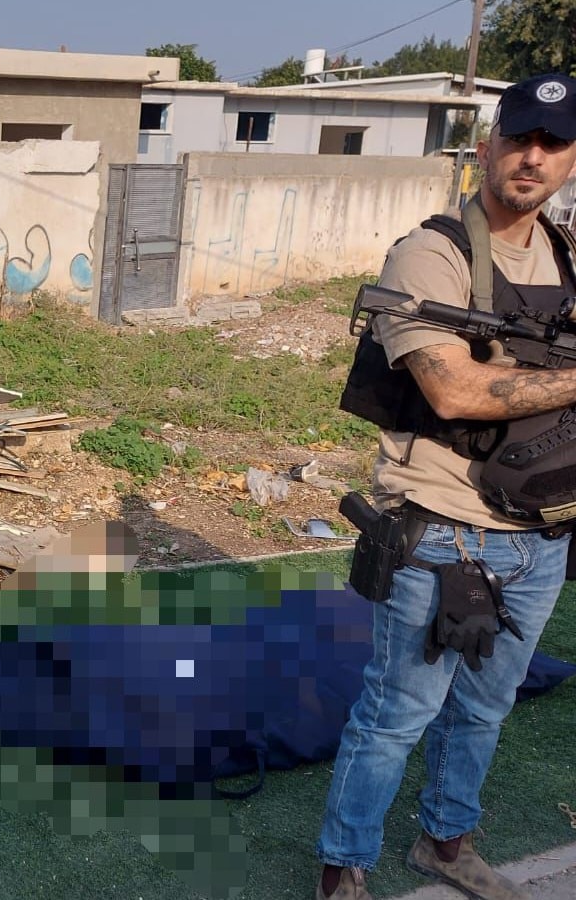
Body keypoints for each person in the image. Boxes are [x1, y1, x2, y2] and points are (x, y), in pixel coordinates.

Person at [316, 73, 576, 900]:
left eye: (554, 143)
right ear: (488, 146)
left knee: (486, 708)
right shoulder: (432, 252)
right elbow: (454, 391)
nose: (533, 156)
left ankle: (446, 842)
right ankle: (343, 868)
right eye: (520, 137)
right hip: (446, 532)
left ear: (572, 159)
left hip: (542, 532)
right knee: (397, 714)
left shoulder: (567, 255)